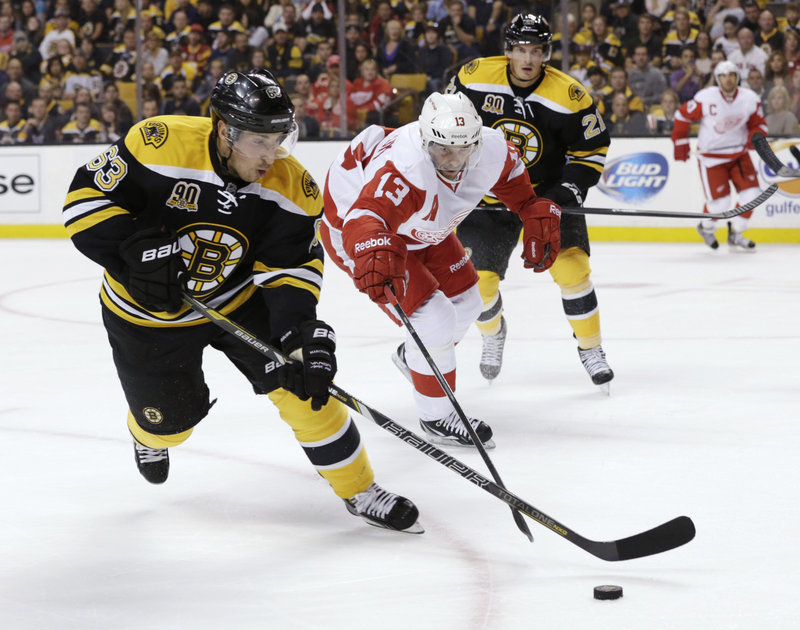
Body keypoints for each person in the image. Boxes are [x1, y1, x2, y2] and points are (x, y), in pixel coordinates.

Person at [61, 68, 421, 534]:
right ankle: (148, 434)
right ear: (224, 129)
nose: (271, 155)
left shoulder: (294, 187)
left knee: (305, 389)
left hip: (238, 299)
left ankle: (360, 490)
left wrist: (296, 333)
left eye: (279, 139)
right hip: (148, 314)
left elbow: (291, 268)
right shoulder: (158, 144)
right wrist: (132, 255)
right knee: (171, 424)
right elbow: (84, 199)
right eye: (258, 142)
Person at [320, 91, 561, 448]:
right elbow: (365, 215)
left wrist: (530, 208)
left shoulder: (492, 148)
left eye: (463, 149)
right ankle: (436, 417)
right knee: (432, 318)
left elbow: (513, 182)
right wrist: (370, 247)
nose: (453, 160)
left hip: (425, 227)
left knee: (468, 303)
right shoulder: (406, 169)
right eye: (442, 149)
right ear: (424, 139)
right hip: (365, 232)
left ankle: (414, 357)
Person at [446, 14, 614, 390]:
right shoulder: (473, 78)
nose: (527, 59)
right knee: (478, 285)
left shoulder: (570, 96)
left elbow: (592, 153)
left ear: (546, 55)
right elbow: (443, 127)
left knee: (572, 269)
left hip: (544, 194)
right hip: (489, 196)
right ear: (508, 51)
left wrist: (556, 200)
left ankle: (591, 348)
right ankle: (493, 333)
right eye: (521, 50)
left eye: (536, 51)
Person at [672, 61, 767, 251]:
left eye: (732, 74)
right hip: (712, 158)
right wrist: (680, 142)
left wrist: (756, 137)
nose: (728, 78)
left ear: (738, 77)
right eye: (723, 75)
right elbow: (682, 115)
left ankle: (736, 232)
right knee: (720, 203)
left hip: (739, 154)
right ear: (717, 78)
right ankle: (706, 227)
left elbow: (759, 123)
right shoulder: (706, 97)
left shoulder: (750, 98)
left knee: (752, 195)